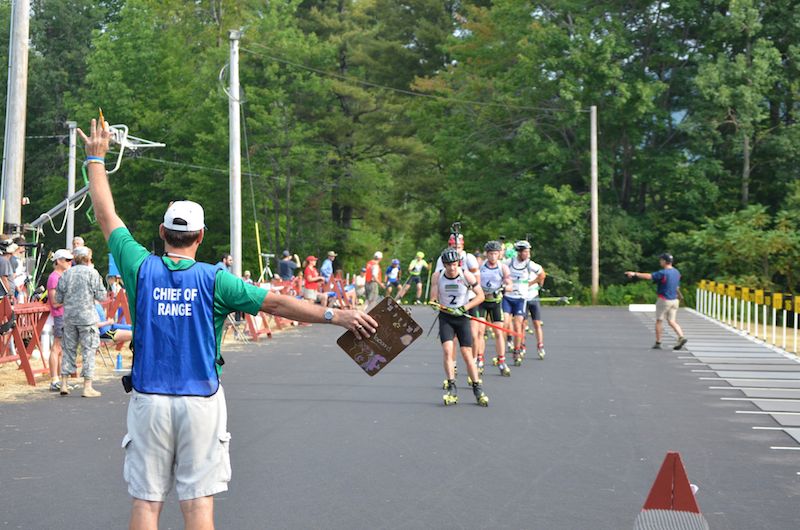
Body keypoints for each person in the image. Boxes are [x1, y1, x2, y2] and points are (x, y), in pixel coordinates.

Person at [79, 116, 377, 530]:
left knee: (146, 503)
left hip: (149, 399)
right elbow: (278, 304)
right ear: (201, 237)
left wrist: (95, 158)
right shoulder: (217, 280)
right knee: (198, 504)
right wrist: (337, 315)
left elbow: (105, 214)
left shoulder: (139, 266)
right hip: (200, 400)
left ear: (162, 232)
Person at [430, 248, 487, 406]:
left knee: (467, 353)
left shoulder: (465, 275)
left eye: (454, 264)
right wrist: (435, 304)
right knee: (448, 351)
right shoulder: (438, 276)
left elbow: (480, 296)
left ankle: (477, 388)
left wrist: (464, 307)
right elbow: (433, 298)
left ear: (458, 263)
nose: (452, 268)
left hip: (462, 317)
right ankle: (452, 387)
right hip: (446, 318)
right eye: (448, 265)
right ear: (444, 265)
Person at [55, 246, 106, 397]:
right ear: (89, 258)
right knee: (88, 350)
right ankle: (87, 386)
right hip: (87, 318)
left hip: (69, 317)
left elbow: (58, 298)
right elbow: (102, 296)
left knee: (68, 349)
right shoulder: (93, 273)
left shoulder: (66, 274)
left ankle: (64, 383)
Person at [625, 253, 688, 350]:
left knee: (659, 320)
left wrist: (635, 274)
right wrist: (680, 296)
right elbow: (677, 287)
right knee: (672, 321)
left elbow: (649, 276)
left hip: (664, 300)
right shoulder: (676, 272)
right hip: (675, 300)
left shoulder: (663, 273)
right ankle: (681, 336)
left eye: (661, 260)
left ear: (664, 261)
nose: (660, 262)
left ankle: (658, 342)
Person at [502, 240, 544, 365]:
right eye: (525, 251)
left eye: (528, 251)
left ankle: (517, 350)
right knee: (504, 324)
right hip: (508, 297)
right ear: (519, 252)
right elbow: (500, 270)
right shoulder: (509, 263)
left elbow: (542, 275)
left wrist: (531, 283)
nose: (528, 253)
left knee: (518, 325)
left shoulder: (529, 264)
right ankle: (503, 352)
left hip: (521, 299)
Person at [475, 241, 512, 376]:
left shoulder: (503, 268)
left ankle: (501, 361)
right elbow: (475, 283)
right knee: (480, 332)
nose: (493, 257)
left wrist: (502, 289)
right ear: (487, 254)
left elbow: (509, 285)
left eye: (495, 254)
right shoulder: (480, 267)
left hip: (496, 303)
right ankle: (479, 359)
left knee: (498, 332)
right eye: (490, 254)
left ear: (499, 254)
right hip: (482, 302)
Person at [46, 249, 73, 391]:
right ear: (58, 261)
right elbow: (55, 302)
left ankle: (62, 380)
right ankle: (54, 379)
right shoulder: (54, 277)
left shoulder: (63, 276)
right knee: (56, 347)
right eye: (66, 260)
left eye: (70, 260)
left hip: (66, 315)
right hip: (59, 315)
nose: (70, 262)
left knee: (62, 349)